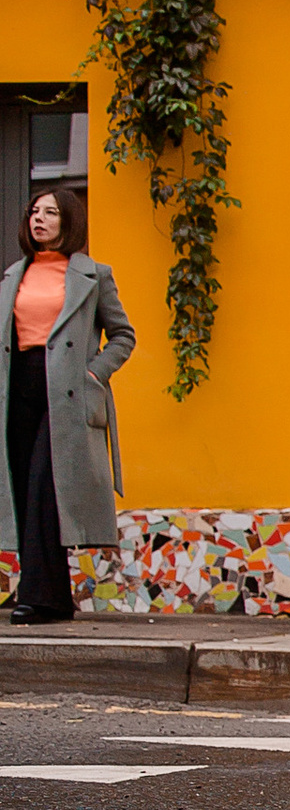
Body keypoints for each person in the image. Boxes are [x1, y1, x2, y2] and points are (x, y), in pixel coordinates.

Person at [0, 185, 134, 626]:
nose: (38, 219)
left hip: (67, 391)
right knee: (25, 490)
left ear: (69, 220)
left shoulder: (94, 274)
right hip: (17, 387)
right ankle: (52, 596)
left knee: (44, 488)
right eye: (34, 211)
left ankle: (36, 594)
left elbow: (123, 335)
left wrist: (93, 372)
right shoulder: (12, 275)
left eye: (50, 213)